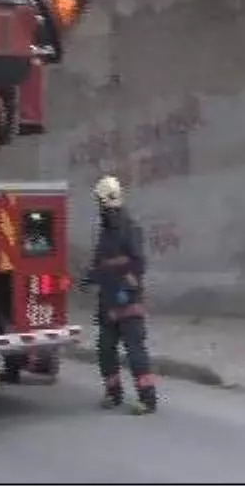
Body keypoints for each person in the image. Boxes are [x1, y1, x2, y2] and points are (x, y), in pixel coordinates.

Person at [80, 175, 158, 415]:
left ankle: (147, 399)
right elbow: (101, 262)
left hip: (127, 300)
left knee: (135, 350)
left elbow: (138, 263)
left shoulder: (130, 228)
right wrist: (89, 277)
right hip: (108, 301)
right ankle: (113, 393)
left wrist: (127, 288)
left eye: (101, 202)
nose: (101, 208)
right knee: (105, 349)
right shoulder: (104, 232)